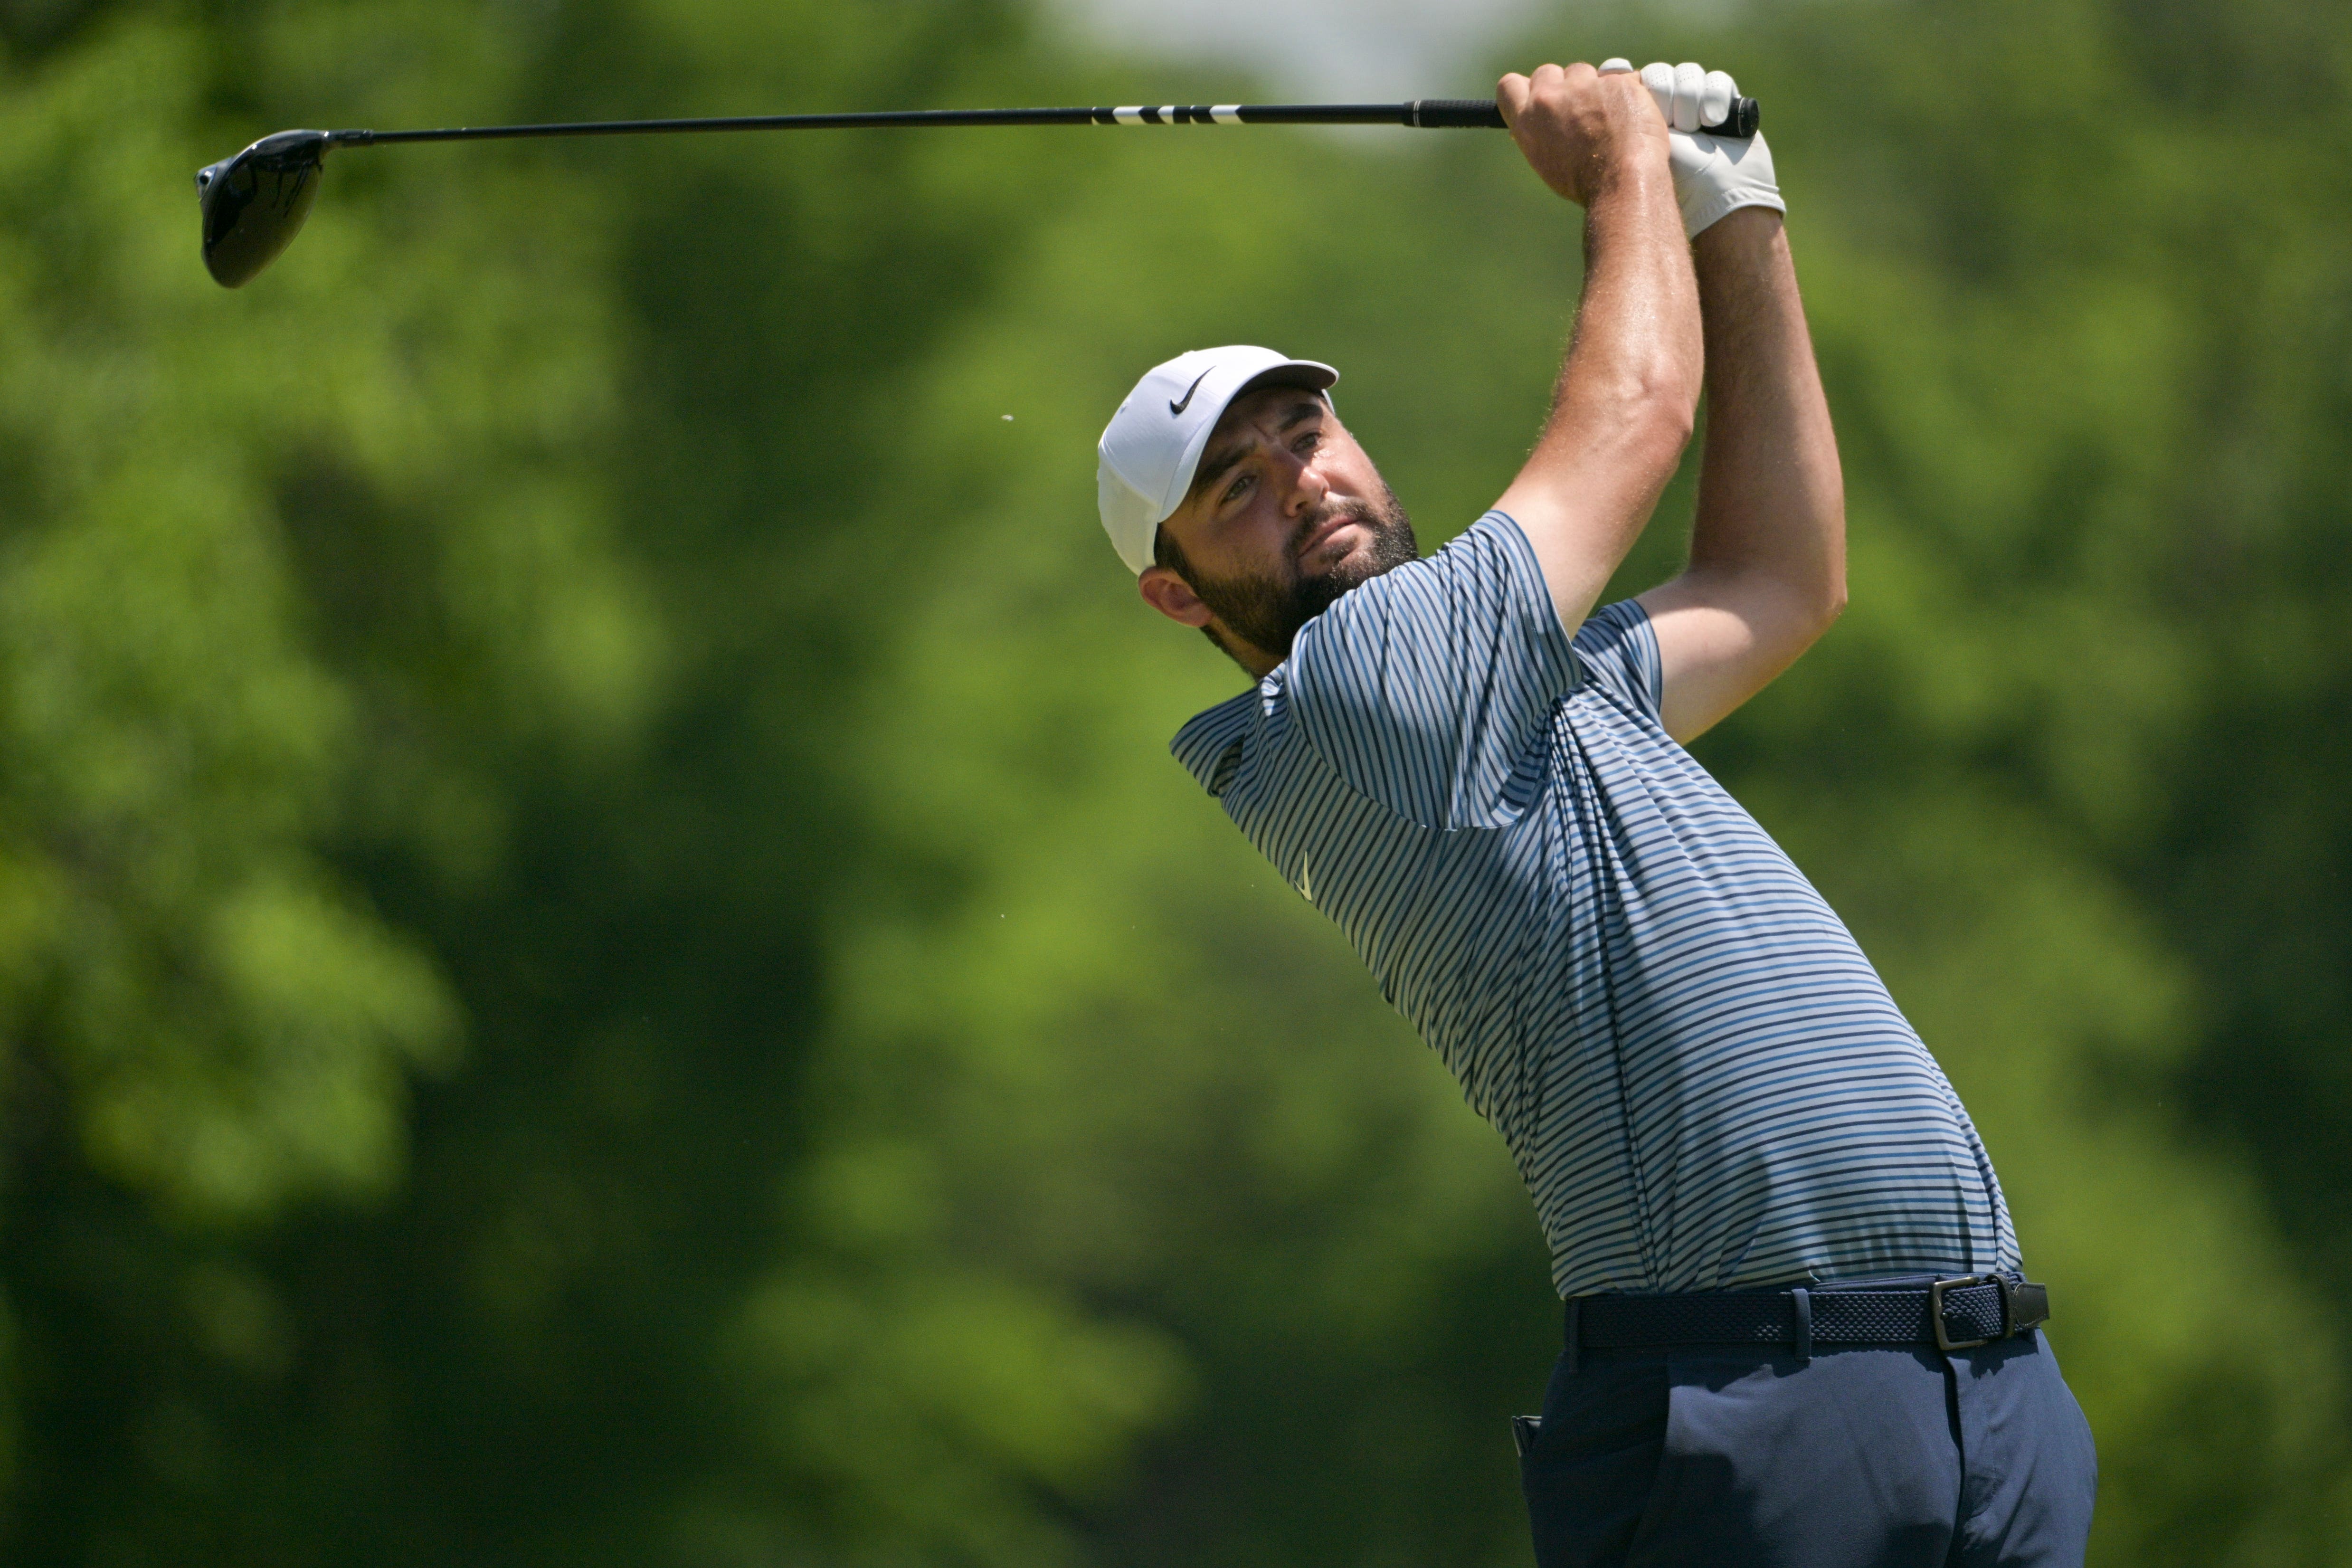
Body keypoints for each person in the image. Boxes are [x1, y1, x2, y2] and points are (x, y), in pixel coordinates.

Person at [1092, 56, 2098, 1568]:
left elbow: (1779, 582)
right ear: (1178, 593)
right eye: (1233, 487)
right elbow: (1638, 412)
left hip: (1983, 1389)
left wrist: (1733, 211)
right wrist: (1629, 162)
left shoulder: (1531, 690)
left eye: (1304, 430)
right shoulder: (1365, 698)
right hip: (1748, 1393)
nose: (1298, 482)